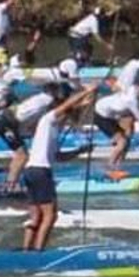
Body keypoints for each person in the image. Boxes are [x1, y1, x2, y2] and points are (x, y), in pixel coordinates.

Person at [22, 82, 98, 249]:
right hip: (41, 172)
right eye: (67, 116)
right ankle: (38, 251)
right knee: (50, 215)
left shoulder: (53, 130)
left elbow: (59, 157)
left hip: (30, 171)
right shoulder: (48, 119)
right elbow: (68, 105)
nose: (68, 120)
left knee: (36, 216)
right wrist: (87, 91)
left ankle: (26, 250)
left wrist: (80, 151)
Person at [90, 76, 139, 170]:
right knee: (122, 142)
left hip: (113, 114)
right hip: (102, 116)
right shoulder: (131, 100)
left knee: (127, 138)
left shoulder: (133, 90)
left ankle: (118, 164)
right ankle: (109, 166)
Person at [66, 2, 110, 69]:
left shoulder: (91, 17)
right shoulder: (94, 21)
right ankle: (80, 65)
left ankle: (84, 62)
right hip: (76, 37)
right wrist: (107, 45)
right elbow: (97, 37)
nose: (103, 17)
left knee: (89, 47)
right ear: (100, 15)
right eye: (102, 15)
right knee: (83, 51)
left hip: (73, 35)